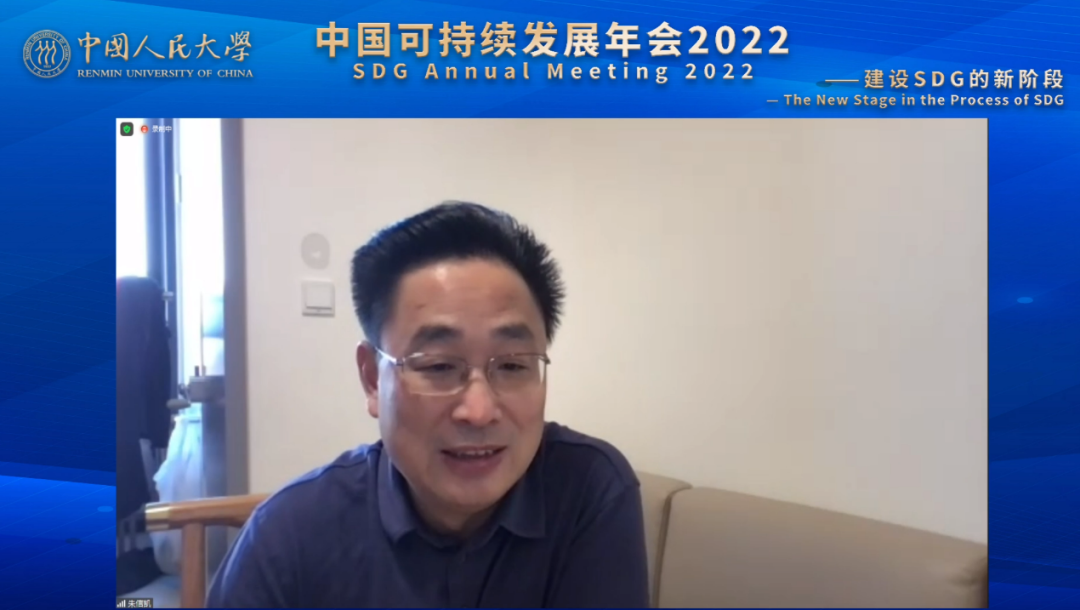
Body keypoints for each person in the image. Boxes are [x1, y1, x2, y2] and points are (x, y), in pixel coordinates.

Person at [207, 202, 650, 608]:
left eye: (513, 365)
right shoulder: (287, 538)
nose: (479, 411)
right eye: (439, 366)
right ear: (371, 379)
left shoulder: (588, 491)